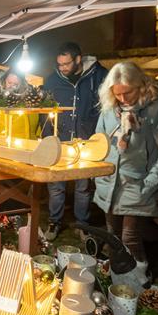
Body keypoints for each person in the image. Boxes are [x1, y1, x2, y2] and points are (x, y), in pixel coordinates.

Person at [93, 62, 158, 269]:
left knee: (130, 237)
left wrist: (150, 182)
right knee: (112, 234)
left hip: (138, 181)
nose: (123, 99)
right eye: (118, 94)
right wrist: (96, 172)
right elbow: (99, 140)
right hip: (109, 179)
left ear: (140, 85)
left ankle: (138, 284)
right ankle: (116, 277)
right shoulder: (110, 107)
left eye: (128, 93)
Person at [40, 42, 108, 240]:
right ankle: (54, 222)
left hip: (86, 140)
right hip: (58, 140)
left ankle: (82, 224)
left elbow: (105, 107)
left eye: (66, 64)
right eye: (59, 64)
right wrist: (46, 137)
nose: (62, 68)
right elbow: (45, 110)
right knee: (56, 185)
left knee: (83, 186)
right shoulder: (52, 80)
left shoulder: (99, 76)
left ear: (78, 59)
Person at [0, 70, 40, 140]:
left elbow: (35, 131)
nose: (11, 86)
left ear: (21, 85)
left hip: (25, 146)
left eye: (15, 84)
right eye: (9, 83)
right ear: (4, 82)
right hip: (3, 146)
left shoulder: (29, 104)